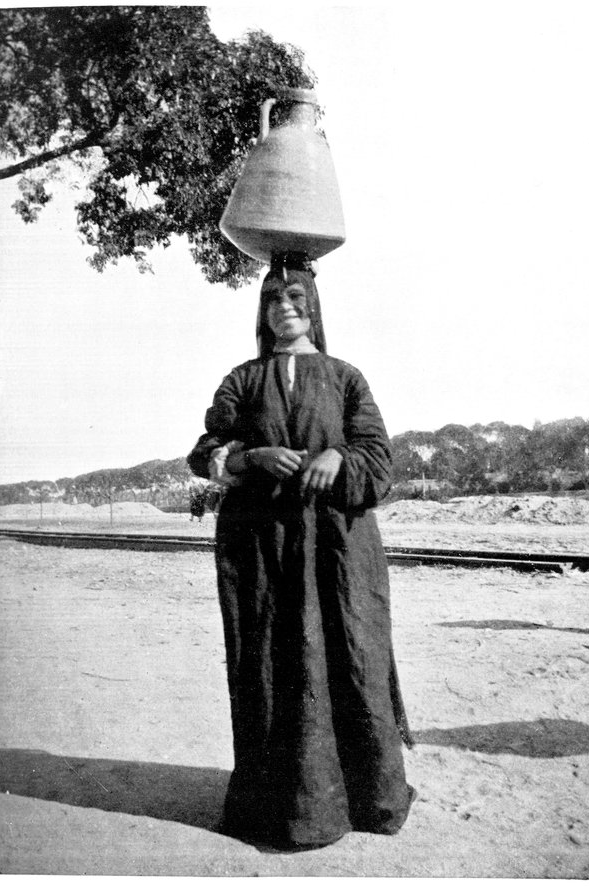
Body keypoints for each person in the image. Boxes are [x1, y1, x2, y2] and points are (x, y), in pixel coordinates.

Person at [187, 253, 414, 850]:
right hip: (264, 552)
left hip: (338, 551)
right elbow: (206, 450)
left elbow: (379, 460)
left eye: (295, 298)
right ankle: (283, 809)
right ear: (262, 311)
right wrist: (250, 457)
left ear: (313, 307)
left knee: (350, 657)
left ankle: (366, 798)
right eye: (273, 299)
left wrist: (339, 455)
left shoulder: (345, 377)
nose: (284, 308)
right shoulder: (242, 380)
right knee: (274, 663)